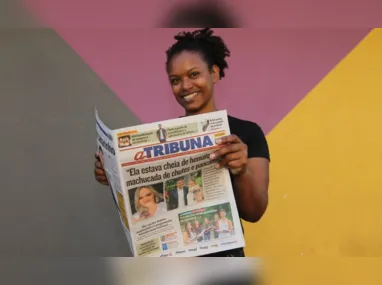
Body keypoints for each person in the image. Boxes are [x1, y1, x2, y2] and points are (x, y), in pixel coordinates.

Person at [94, 28, 270, 257]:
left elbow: (255, 212)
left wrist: (242, 171)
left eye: (194, 74)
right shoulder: (162, 136)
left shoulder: (247, 133)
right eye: (176, 80)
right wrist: (112, 172)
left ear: (214, 73)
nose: (185, 86)